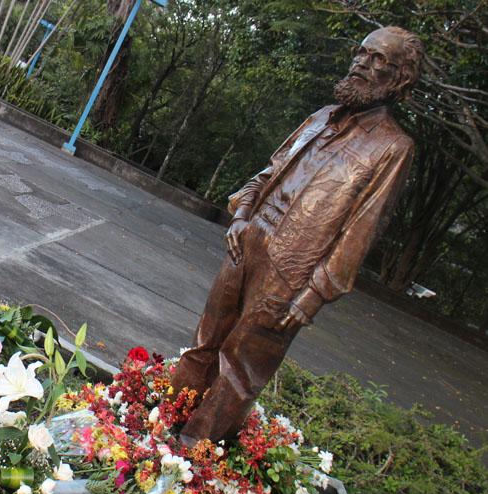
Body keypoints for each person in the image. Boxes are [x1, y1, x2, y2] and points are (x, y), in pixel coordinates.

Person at [170, 26, 424, 446]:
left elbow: (361, 232)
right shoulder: (322, 116)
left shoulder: (393, 147)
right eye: (361, 52)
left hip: (291, 272)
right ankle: (156, 419)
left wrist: (314, 294)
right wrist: (241, 217)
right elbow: (267, 174)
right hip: (246, 243)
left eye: (378, 59)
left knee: (240, 370)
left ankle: (191, 458)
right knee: (204, 343)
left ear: (399, 79)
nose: (361, 62)